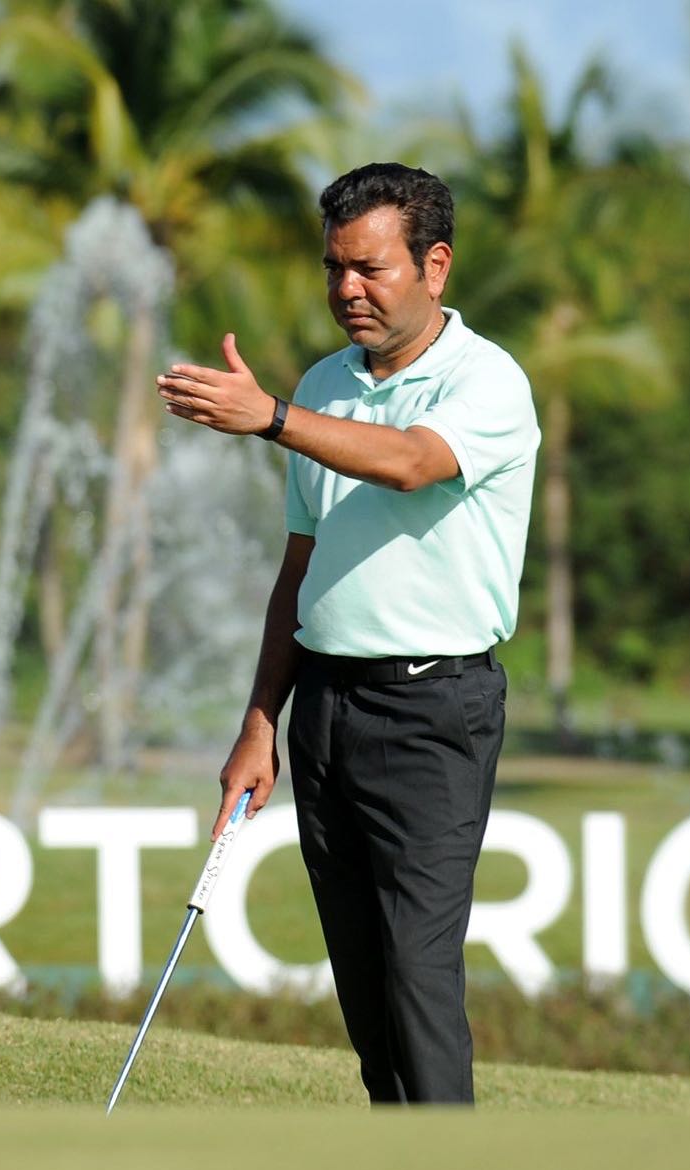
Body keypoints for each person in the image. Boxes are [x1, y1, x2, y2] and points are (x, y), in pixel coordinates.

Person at [155, 162, 539, 1105]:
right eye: (334, 268)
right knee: (364, 989)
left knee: (417, 973)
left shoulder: (487, 380)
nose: (347, 289)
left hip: (433, 710)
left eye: (370, 268)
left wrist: (273, 419)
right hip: (325, 711)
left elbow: (411, 463)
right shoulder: (325, 383)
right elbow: (301, 568)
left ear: (435, 266)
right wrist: (260, 724)